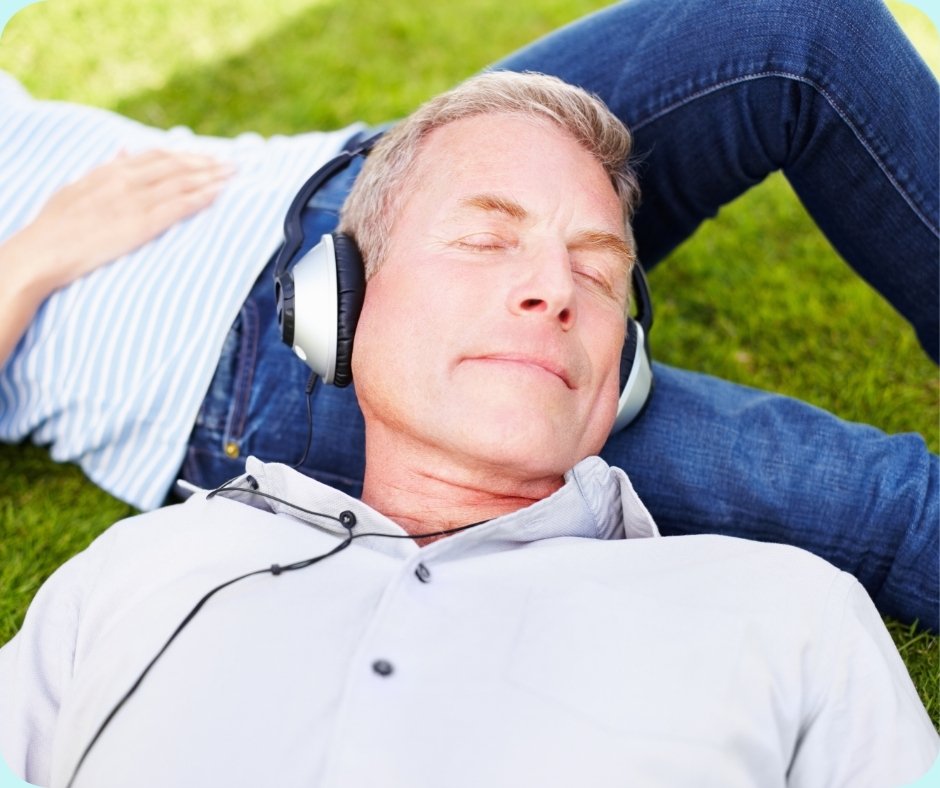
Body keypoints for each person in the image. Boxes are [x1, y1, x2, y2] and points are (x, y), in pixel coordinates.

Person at [0, 71, 935, 788]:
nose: (558, 288)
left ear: (624, 368)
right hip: (222, 362)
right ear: (343, 307)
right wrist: (33, 255)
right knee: (889, 503)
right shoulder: (139, 578)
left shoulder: (789, 610)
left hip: (336, 175)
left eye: (601, 274)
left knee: (797, 25)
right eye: (490, 245)